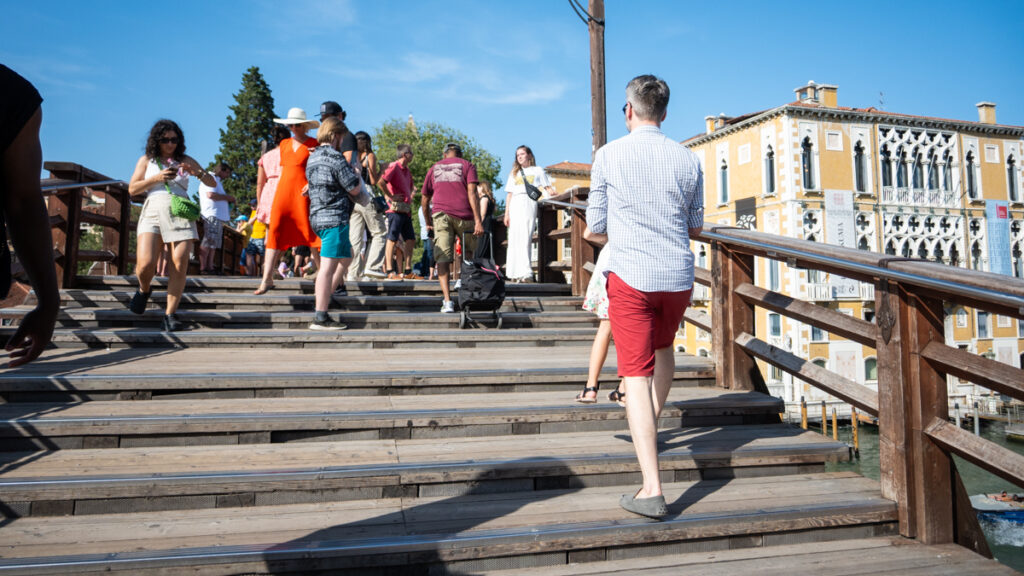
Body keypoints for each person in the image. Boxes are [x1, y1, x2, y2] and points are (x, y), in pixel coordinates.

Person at [586, 75, 703, 519]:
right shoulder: (688, 159)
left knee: (634, 374)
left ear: (630, 110)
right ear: (665, 113)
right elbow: (695, 227)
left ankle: (651, 489)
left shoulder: (609, 155)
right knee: (664, 347)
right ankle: (647, 426)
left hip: (632, 275)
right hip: (677, 277)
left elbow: (594, 227)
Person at [126, 119, 217, 331]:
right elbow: (132, 189)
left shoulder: (185, 159)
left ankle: (170, 314)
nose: (170, 144)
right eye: (165, 139)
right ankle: (144, 288)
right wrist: (157, 177)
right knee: (145, 263)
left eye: (174, 140)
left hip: (180, 209)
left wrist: (198, 173)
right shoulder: (146, 160)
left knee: (179, 261)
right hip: (153, 208)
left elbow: (212, 182)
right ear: (156, 140)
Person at [0, 65, 59, 366]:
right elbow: (22, 200)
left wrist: (48, 302)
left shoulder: (13, 95)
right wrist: (48, 301)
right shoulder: (12, 93)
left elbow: (23, 200)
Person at [318, 102, 387, 281]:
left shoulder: (340, 139)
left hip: (347, 195)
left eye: (325, 118)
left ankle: (353, 273)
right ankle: (372, 267)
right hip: (360, 192)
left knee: (355, 237)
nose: (324, 121)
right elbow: (369, 178)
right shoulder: (351, 139)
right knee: (379, 231)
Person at [305, 116, 362, 330]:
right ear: (335, 135)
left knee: (348, 256)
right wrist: (356, 171)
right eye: (341, 137)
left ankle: (326, 293)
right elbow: (354, 188)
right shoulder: (336, 158)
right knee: (327, 268)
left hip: (317, 216)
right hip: (334, 217)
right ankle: (321, 315)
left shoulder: (313, 157)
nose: (342, 141)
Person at [255, 108, 319, 295]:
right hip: (282, 193)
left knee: (311, 234)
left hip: (303, 193)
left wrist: (312, 184)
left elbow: (317, 169)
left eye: (297, 124)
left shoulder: (314, 143)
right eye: (290, 124)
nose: (293, 128)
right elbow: (281, 171)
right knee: (274, 231)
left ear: (305, 126)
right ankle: (266, 279)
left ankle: (324, 276)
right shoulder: (284, 144)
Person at [421, 143, 483, 312]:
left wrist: (428, 222)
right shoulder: (468, 165)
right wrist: (478, 221)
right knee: (468, 252)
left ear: (444, 154)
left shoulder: (434, 168)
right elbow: (473, 194)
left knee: (443, 258)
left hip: (442, 216)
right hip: (465, 216)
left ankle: (447, 301)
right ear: (460, 155)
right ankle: (464, 284)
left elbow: (425, 199)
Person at [503, 145, 554, 283]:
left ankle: (526, 272)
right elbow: (509, 194)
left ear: (529, 155)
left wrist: (556, 195)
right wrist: (506, 213)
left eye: (522, 154)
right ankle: (514, 272)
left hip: (528, 202)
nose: (519, 156)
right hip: (515, 203)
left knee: (526, 236)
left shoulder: (537, 170)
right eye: (517, 155)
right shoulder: (514, 173)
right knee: (514, 238)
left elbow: (547, 188)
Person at [380, 144, 418, 280]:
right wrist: (390, 196)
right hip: (394, 210)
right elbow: (381, 181)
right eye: (411, 153)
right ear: (404, 154)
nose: (412, 155)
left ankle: (408, 271)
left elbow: (411, 187)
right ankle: (390, 271)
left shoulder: (407, 170)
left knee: (410, 239)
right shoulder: (394, 166)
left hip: (405, 210)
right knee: (392, 238)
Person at [198, 162, 235, 274]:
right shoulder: (210, 178)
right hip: (211, 214)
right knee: (208, 241)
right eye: (227, 172)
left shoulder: (216, 181)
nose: (228, 175)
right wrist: (228, 197)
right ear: (221, 170)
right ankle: (203, 267)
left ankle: (210, 267)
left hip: (216, 216)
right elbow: (210, 195)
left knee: (213, 243)